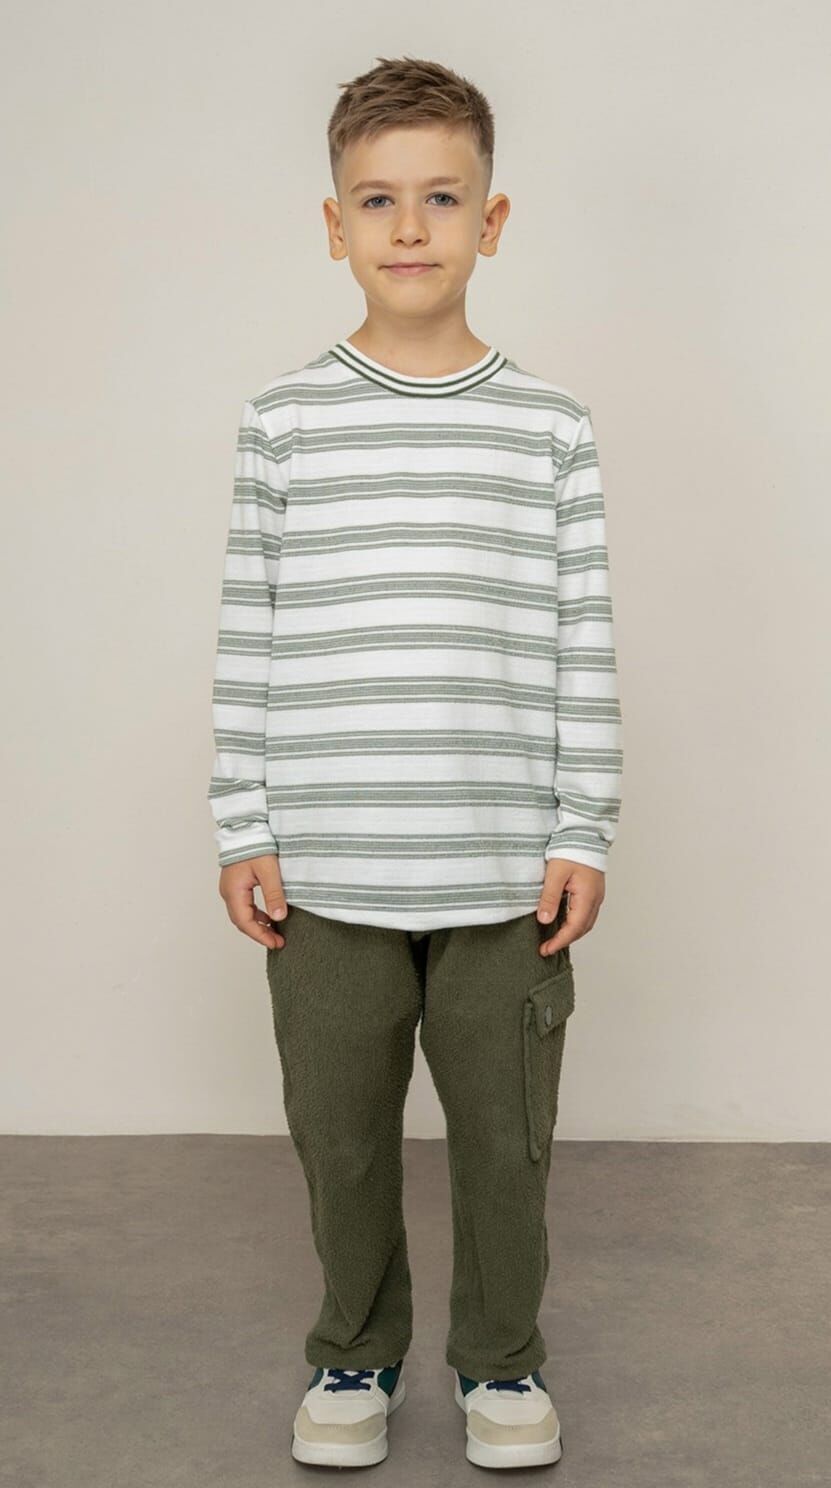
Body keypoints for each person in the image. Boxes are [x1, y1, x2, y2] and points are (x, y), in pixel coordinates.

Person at [207, 54, 623, 1472]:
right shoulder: (285, 420)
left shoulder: (550, 428)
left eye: (441, 198)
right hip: (327, 871)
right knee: (339, 1135)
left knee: (506, 1141)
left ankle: (503, 1362)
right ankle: (355, 1352)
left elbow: (583, 633)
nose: (408, 227)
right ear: (334, 225)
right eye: (377, 200)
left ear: (490, 222)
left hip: (504, 871)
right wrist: (242, 820)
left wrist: (583, 827)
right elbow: (250, 627)